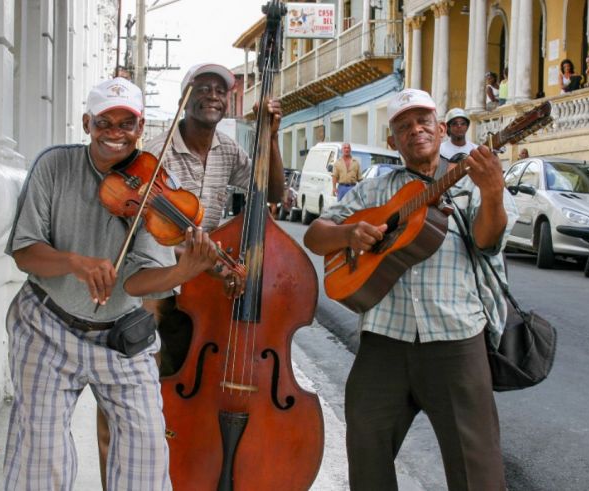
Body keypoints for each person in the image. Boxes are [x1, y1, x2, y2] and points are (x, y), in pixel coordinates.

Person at [3, 77, 221, 490]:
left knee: (147, 451)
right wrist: (74, 262)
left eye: (127, 124)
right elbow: (24, 252)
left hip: (121, 333)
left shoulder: (153, 184)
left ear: (140, 129)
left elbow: (139, 283)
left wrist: (182, 272)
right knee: (41, 454)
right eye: (105, 122)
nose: (116, 133)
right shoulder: (54, 166)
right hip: (47, 325)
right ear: (88, 123)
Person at [303, 88, 518, 490]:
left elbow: (488, 241)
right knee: (367, 453)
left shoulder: (469, 181)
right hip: (384, 341)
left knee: (478, 471)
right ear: (393, 142)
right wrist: (349, 233)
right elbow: (316, 236)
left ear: (439, 131)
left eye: (423, 122)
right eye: (404, 126)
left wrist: (492, 193)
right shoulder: (374, 191)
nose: (415, 130)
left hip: (455, 339)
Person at [95, 63, 285, 482]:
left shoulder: (229, 151)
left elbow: (271, 193)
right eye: (204, 87)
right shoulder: (155, 152)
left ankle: (179, 475)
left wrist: (269, 135)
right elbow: (118, 206)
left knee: (184, 395)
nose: (213, 95)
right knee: (132, 394)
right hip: (153, 288)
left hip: (203, 288)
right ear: (186, 96)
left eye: (221, 89)